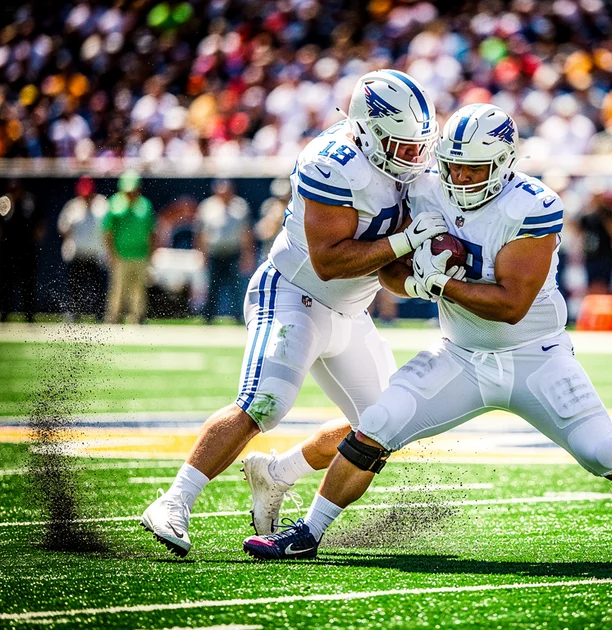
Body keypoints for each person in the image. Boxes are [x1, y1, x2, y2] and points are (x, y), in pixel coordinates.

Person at [241, 104, 612, 564]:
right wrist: (415, 281)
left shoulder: (531, 205)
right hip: (459, 354)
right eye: (453, 164)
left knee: (606, 454)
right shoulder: (423, 187)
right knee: (376, 423)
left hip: (535, 356)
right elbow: (390, 271)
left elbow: (510, 305)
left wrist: (437, 282)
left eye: (473, 167)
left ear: (504, 164)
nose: (460, 176)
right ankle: (307, 532)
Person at [140, 70, 446, 557]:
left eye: (417, 145)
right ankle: (174, 501)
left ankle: (276, 474)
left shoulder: (409, 167)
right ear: (367, 131)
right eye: (400, 145)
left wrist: (424, 275)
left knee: (385, 424)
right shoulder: (333, 163)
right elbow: (329, 261)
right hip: (295, 294)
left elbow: (387, 270)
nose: (413, 156)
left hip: (352, 311)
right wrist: (407, 240)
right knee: (264, 404)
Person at [195, 179, 254, 323]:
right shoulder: (207, 206)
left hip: (234, 253)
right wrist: (201, 254)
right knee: (212, 287)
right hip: (214, 253)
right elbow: (201, 233)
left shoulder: (240, 206)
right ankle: (208, 317)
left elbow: (246, 233)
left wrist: (247, 255)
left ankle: (239, 317)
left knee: (237, 288)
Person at [103, 171, 156, 324]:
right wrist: (111, 254)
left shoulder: (145, 205)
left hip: (141, 254)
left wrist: (150, 254)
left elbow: (152, 232)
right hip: (121, 254)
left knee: (139, 289)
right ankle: (113, 318)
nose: (131, 194)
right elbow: (107, 233)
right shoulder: (114, 204)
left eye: (133, 190)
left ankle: (138, 317)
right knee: (119, 288)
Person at [57, 176, 109, 321]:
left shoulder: (102, 205)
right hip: (77, 254)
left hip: (94, 254)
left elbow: (108, 229)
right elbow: (62, 228)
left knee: (98, 287)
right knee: (75, 288)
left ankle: (99, 315)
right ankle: (74, 314)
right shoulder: (73, 206)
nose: (86, 197)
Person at [0, 179, 44, 323]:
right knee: (7, 284)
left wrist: (35, 238)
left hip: (27, 249)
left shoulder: (29, 201)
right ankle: (4, 313)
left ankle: (29, 315)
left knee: (28, 284)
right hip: (8, 250)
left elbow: (39, 222)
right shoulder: (4, 202)